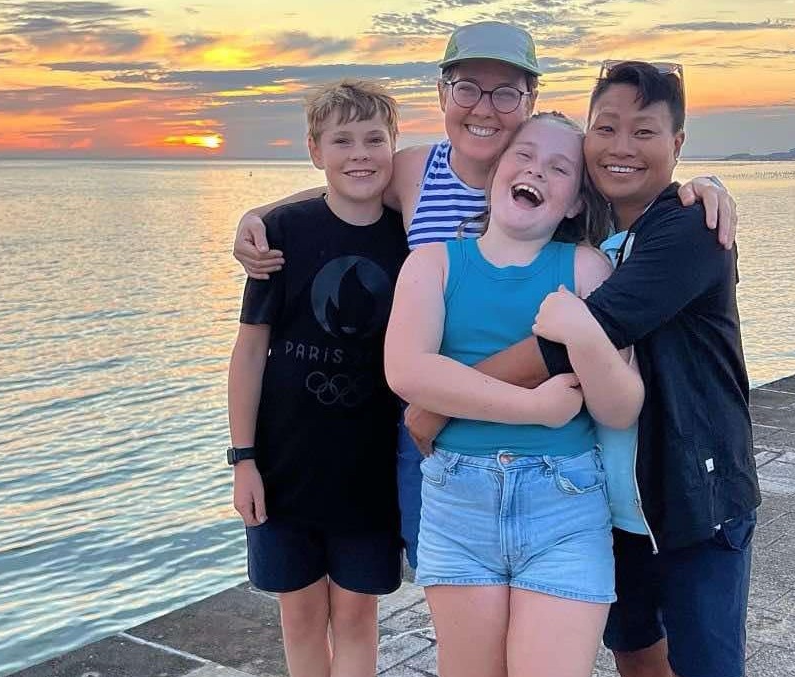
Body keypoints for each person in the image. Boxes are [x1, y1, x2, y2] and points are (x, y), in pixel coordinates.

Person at [230, 22, 740, 571]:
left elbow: (629, 179)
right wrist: (259, 216)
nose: (484, 107)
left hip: (545, 436)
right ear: (443, 94)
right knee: (445, 576)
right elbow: (348, 183)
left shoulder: (555, 168)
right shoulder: (416, 170)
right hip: (439, 428)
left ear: (530, 100)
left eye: (506, 93)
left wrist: (704, 186)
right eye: (468, 88)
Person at [385, 112, 643, 677]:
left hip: (565, 505)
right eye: (523, 156)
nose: (536, 171)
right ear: (494, 171)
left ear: (575, 202)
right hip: (458, 504)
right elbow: (407, 371)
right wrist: (534, 408)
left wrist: (582, 332)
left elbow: (621, 406)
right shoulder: (432, 264)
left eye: (559, 168)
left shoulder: (586, 268)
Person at [225, 79, 408, 677]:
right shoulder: (283, 233)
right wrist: (243, 460)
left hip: (372, 470)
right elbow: (250, 351)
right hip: (285, 467)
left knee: (356, 618)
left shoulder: (411, 236)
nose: (360, 154)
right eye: (342, 141)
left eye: (374, 139)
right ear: (315, 151)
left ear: (393, 145)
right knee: (300, 617)